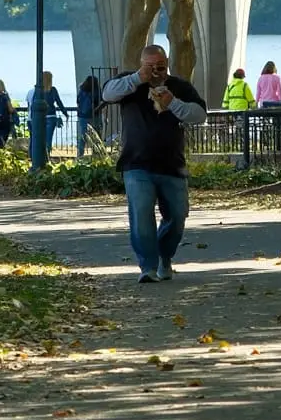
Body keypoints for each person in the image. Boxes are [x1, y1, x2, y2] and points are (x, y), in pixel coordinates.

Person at [101, 45, 207, 283]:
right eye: (150, 66)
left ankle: (164, 257)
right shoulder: (129, 84)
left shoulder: (180, 87)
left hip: (172, 164)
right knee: (141, 214)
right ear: (142, 64)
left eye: (160, 66)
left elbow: (200, 115)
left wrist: (173, 103)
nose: (156, 71)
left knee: (177, 217)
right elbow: (107, 94)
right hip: (136, 163)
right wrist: (138, 78)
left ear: (167, 64)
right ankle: (147, 267)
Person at [27, 72, 70, 152]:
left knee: (37, 140)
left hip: (39, 117)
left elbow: (32, 105)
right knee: (48, 140)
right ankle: (47, 156)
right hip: (51, 117)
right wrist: (65, 113)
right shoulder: (53, 90)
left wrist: (32, 117)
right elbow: (59, 102)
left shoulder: (38, 90)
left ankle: (36, 156)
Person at [77, 72, 101, 157]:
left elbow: (78, 101)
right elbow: (100, 100)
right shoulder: (96, 91)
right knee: (96, 135)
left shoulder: (81, 90)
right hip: (94, 115)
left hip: (82, 116)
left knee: (83, 135)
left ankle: (80, 154)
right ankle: (96, 153)